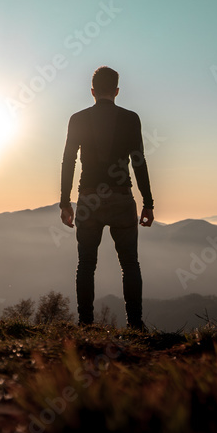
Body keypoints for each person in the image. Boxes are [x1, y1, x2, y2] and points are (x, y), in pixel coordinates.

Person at [60, 66, 154, 328]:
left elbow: (68, 160)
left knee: (86, 264)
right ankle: (135, 325)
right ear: (116, 90)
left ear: (92, 92)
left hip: (89, 199)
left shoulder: (77, 119)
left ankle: (86, 325)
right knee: (130, 264)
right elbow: (139, 162)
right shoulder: (130, 118)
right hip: (122, 198)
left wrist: (65, 202)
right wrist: (148, 203)